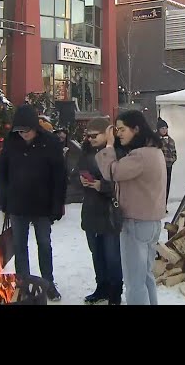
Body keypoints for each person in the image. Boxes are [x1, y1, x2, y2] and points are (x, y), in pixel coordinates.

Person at [95, 110, 166, 305]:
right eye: (116, 129)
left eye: (122, 129)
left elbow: (111, 171)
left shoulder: (140, 156)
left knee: (134, 282)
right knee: (145, 277)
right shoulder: (155, 151)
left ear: (136, 128)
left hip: (136, 223)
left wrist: (108, 145)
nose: (119, 133)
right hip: (150, 223)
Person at [0, 104, 66, 302]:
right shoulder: (11, 143)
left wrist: (57, 204)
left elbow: (59, 176)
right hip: (18, 204)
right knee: (20, 246)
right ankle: (24, 284)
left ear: (34, 127)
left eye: (26, 130)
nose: (23, 134)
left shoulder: (51, 142)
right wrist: (5, 199)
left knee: (44, 244)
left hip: (43, 204)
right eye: (18, 131)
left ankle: (48, 283)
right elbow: (2, 173)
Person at [77, 118, 124, 305]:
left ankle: (115, 292)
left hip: (109, 213)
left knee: (112, 256)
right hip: (90, 210)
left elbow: (121, 183)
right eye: (88, 136)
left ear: (107, 134)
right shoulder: (85, 151)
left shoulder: (118, 153)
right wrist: (81, 181)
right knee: (96, 254)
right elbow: (75, 173)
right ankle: (101, 287)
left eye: (94, 136)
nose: (90, 139)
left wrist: (102, 185)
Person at [157, 118, 177, 209]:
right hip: (159, 167)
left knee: (167, 186)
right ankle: (159, 206)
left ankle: (164, 206)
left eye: (166, 128)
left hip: (169, 166)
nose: (164, 130)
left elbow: (174, 153)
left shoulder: (171, 140)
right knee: (159, 187)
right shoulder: (156, 140)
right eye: (162, 128)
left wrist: (172, 160)